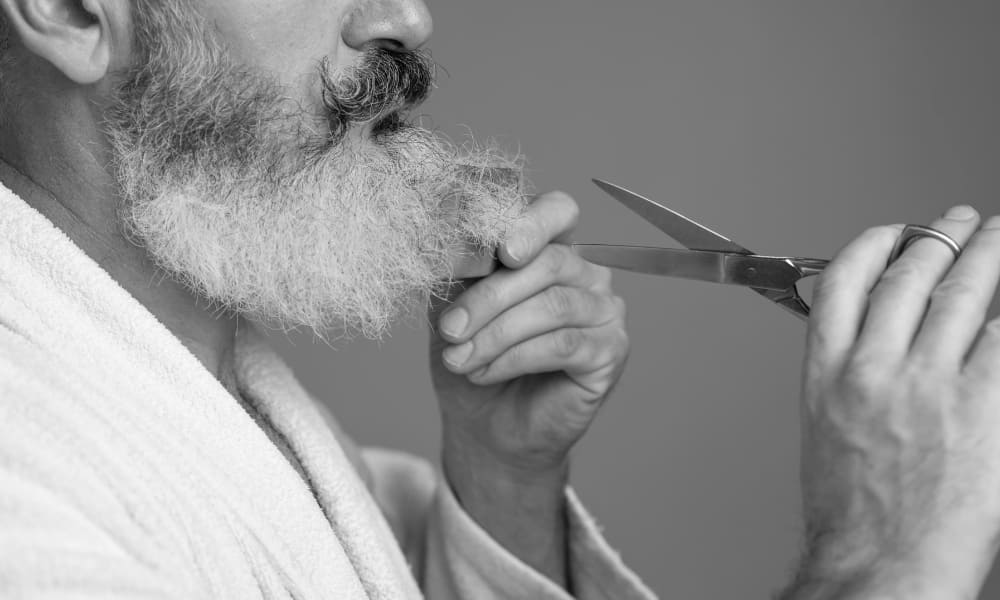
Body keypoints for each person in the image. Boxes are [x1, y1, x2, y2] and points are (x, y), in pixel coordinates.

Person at [0, 1, 998, 599]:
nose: (404, 17)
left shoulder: (212, 394)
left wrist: (502, 489)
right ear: (76, 10)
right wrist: (882, 550)